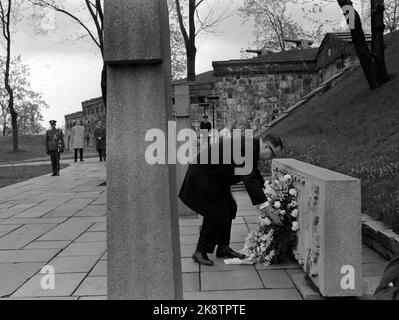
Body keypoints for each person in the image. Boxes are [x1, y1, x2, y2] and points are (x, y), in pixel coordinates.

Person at [179, 133, 284, 266]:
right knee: (217, 211)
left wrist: (267, 191)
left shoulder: (251, 146)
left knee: (229, 206)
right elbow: (249, 178)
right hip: (203, 174)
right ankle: (200, 251)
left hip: (213, 177)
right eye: (273, 154)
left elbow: (254, 173)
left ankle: (223, 247)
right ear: (266, 146)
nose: (271, 158)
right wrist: (268, 209)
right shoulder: (248, 147)